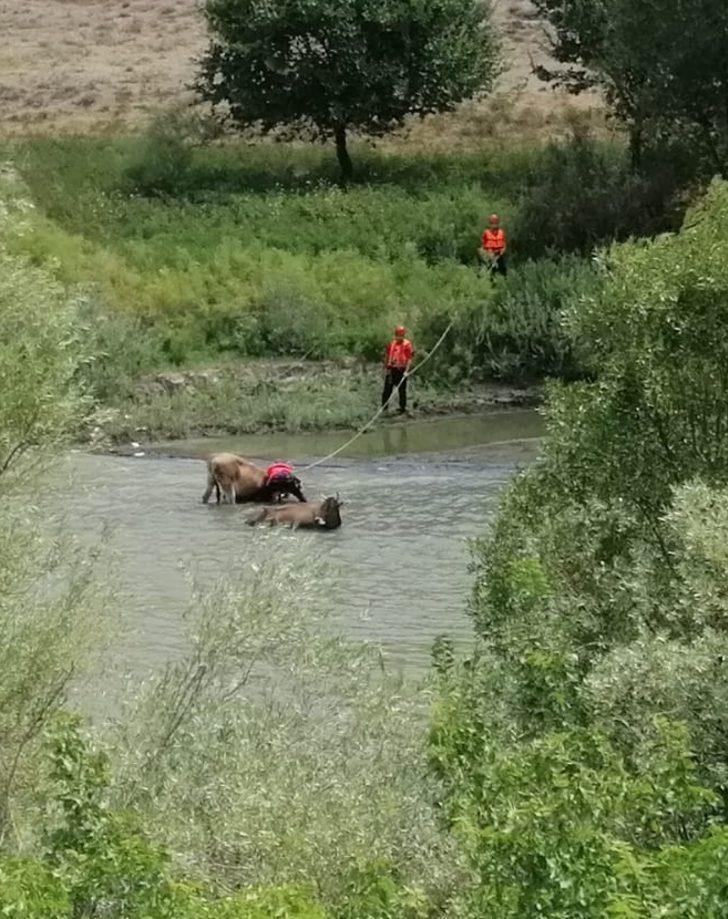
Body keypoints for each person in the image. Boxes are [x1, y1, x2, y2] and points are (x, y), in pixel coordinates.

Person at [381, 325, 414, 415]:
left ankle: (402, 408)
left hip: (401, 370)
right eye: (398, 335)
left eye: (401, 335)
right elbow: (387, 356)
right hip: (391, 369)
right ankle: (384, 407)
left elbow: (409, 359)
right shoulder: (391, 344)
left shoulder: (407, 344)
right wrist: (385, 368)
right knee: (387, 389)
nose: (399, 337)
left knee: (402, 390)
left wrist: (407, 371)